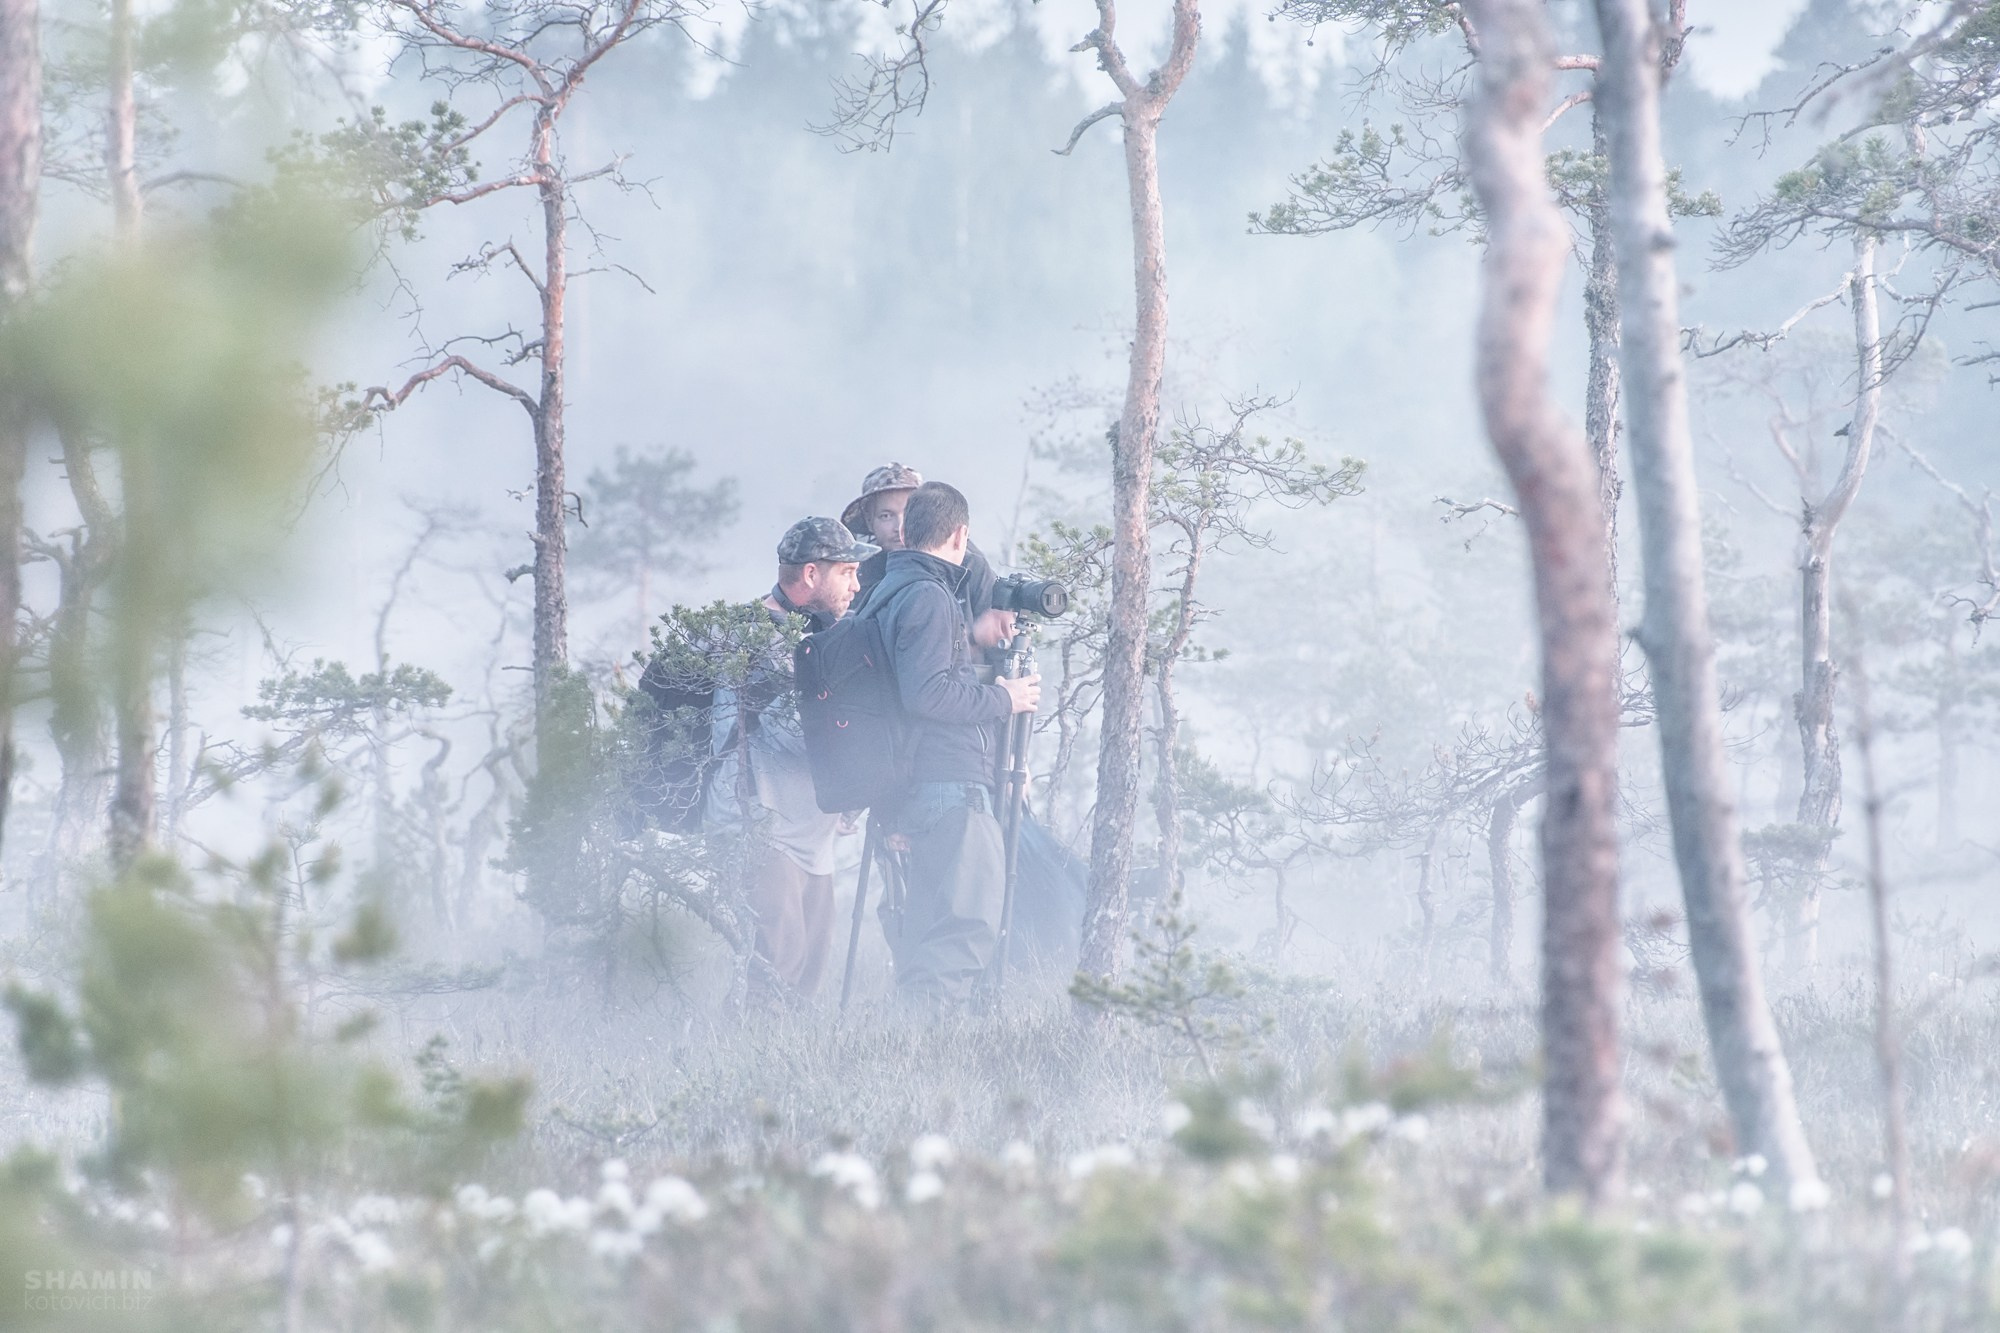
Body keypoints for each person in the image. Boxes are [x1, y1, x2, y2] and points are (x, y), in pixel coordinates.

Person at [867, 482, 1040, 1005]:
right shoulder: (928, 595)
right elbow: (927, 694)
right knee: (968, 924)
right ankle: (927, 1032)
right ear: (960, 535)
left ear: (907, 530)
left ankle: (912, 1042)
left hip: (919, 782)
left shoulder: (889, 588)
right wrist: (1005, 698)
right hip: (950, 784)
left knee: (929, 925)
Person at [708, 516, 878, 1000]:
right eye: (847, 572)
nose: (856, 585)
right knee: (776, 967)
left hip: (808, 831)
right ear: (810, 574)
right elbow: (802, 734)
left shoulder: (815, 633)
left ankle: (787, 1051)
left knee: (808, 970)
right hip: (763, 826)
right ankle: (743, 1049)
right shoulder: (759, 638)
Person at [842, 462, 997, 615]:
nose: (900, 526)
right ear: (870, 522)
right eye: (886, 516)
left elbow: (998, 622)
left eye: (909, 513)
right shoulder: (857, 577)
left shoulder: (968, 564)